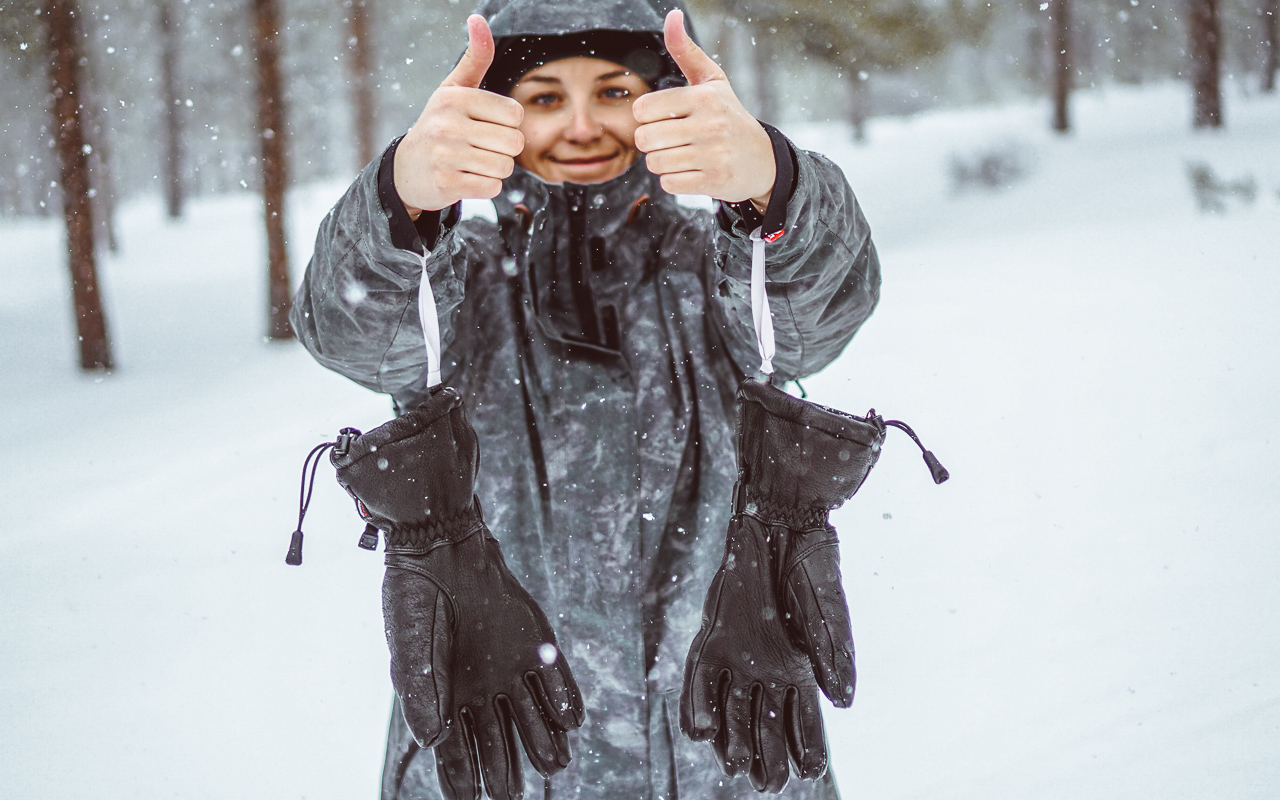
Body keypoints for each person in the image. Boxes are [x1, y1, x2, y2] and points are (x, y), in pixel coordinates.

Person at [291, 0, 881, 797]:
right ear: (495, 112)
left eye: (614, 91)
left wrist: (775, 188)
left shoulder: (713, 266)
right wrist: (402, 199)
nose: (580, 126)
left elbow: (817, 316)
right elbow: (353, 330)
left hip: (726, 756)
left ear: (663, 101)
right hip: (497, 758)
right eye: (542, 97)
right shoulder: (453, 277)